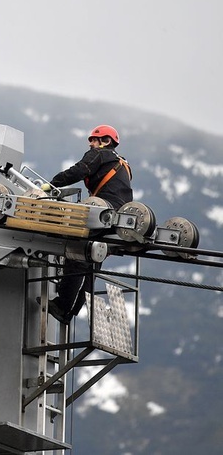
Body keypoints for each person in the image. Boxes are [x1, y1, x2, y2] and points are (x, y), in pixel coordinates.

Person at [42, 124, 133, 324]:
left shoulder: (99, 155)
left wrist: (50, 185)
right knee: (92, 261)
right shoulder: (123, 164)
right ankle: (69, 311)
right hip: (119, 218)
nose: (91, 143)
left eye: (94, 139)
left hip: (102, 212)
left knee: (77, 254)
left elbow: (78, 171)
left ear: (106, 141)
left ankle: (63, 306)